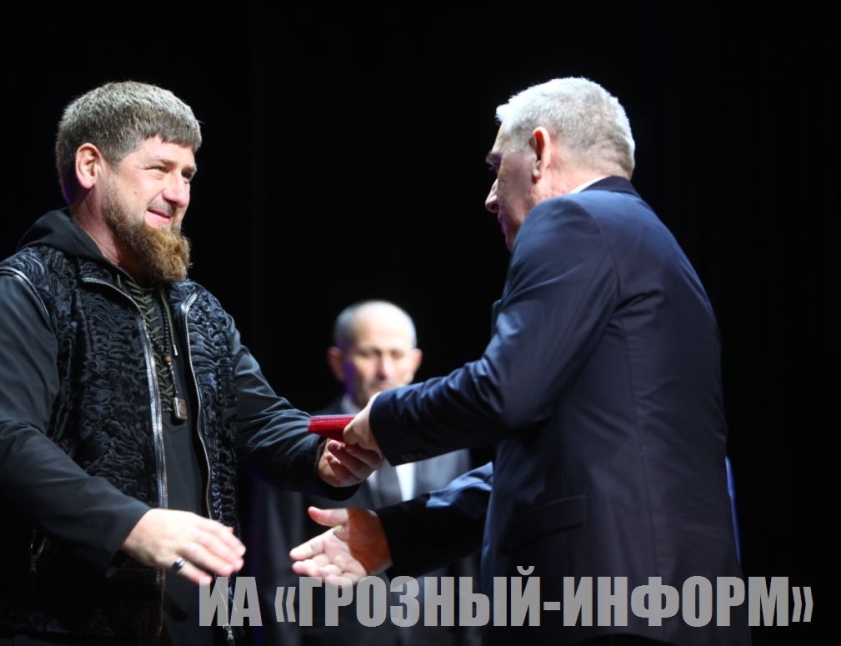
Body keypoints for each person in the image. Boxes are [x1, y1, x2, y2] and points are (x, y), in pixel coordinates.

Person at [290, 77, 751, 646]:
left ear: (539, 150)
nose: (489, 197)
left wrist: (384, 419)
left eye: (495, 166)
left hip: (599, 608)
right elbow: (564, 460)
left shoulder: (573, 219)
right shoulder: (658, 250)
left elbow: (503, 391)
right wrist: (395, 536)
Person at [0, 80, 381, 646]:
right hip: (56, 625)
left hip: (199, 625)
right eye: (159, 169)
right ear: (90, 166)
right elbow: (0, 443)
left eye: (188, 175)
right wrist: (129, 524)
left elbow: (261, 421)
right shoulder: (22, 292)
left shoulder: (197, 308)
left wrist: (322, 457)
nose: (178, 194)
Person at [241, 300, 484, 646]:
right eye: (370, 354)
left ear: (414, 362)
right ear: (338, 362)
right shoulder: (299, 447)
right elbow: (272, 568)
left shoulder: (448, 448)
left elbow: (464, 564)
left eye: (396, 354)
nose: (385, 370)